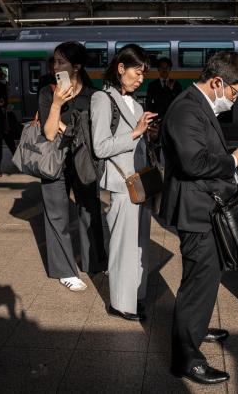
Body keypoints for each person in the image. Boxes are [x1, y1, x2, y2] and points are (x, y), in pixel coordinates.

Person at [160, 51, 238, 385]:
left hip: (205, 207)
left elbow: (206, 149)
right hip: (195, 211)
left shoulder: (197, 104)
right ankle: (186, 358)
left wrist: (236, 150)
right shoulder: (186, 108)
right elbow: (193, 162)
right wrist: (234, 161)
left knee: (206, 278)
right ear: (217, 82)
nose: (234, 99)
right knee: (198, 284)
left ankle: (197, 327)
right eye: (234, 92)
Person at [91, 44, 157, 321]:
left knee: (140, 245)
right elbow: (100, 147)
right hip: (119, 184)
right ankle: (120, 303)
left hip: (140, 182)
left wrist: (147, 134)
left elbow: (136, 141)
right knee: (122, 246)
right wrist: (135, 133)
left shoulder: (137, 103)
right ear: (121, 69)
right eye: (137, 72)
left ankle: (136, 296)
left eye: (143, 73)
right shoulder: (101, 99)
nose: (141, 78)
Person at [39, 41, 107, 290]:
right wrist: (57, 104)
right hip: (54, 159)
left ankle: (95, 262)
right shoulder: (48, 91)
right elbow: (48, 132)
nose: (54, 66)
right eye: (54, 61)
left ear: (76, 66)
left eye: (60, 62)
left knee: (90, 209)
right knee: (57, 214)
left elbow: (93, 133)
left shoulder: (93, 95)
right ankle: (64, 270)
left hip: (83, 158)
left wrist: (68, 129)